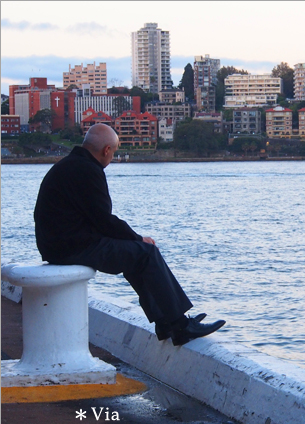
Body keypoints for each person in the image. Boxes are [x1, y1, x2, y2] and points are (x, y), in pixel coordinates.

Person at [33, 123, 225, 346]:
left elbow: (96, 220)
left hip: (58, 245)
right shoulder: (88, 170)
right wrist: (138, 239)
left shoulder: (68, 166)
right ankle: (180, 326)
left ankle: (165, 320)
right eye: (113, 152)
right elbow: (104, 220)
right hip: (72, 248)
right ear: (106, 150)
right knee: (146, 253)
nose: (112, 157)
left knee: (135, 254)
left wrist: (131, 240)